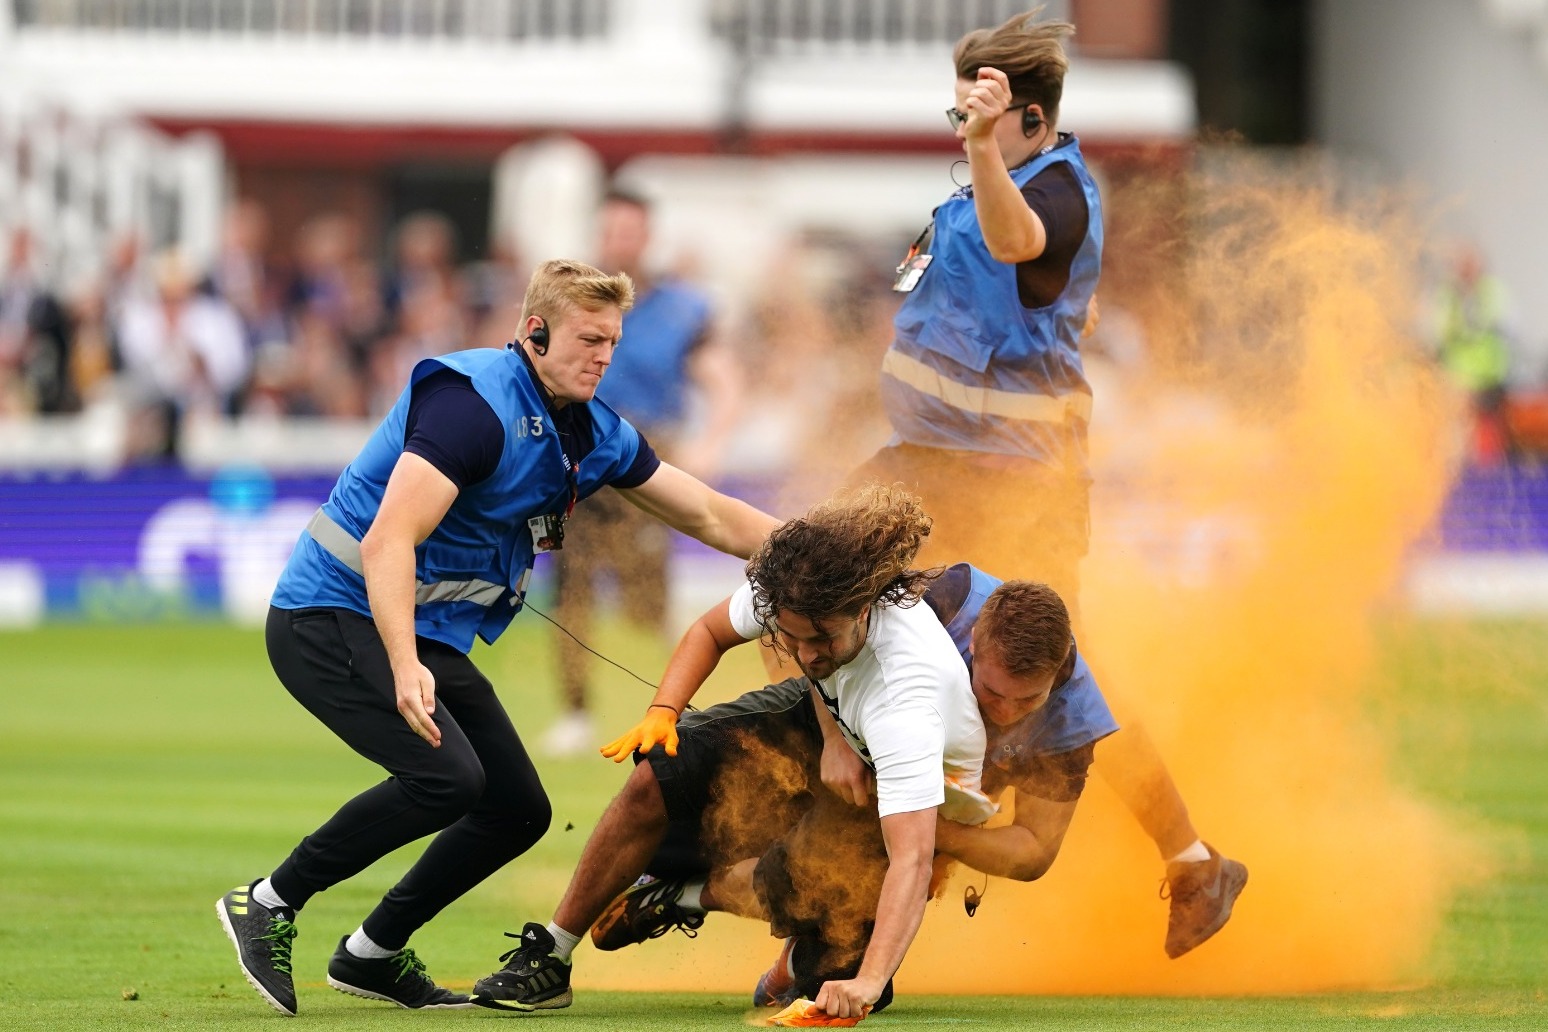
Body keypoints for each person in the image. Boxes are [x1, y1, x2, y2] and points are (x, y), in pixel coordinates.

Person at [214, 258, 779, 1017]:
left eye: (612, 341)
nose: (603, 356)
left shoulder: (593, 431)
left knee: (518, 808)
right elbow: (388, 541)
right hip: (331, 613)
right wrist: (408, 666)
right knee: (446, 779)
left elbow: (710, 515)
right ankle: (269, 901)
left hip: (416, 633)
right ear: (534, 332)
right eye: (587, 339)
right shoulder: (469, 405)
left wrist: (823, 550)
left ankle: (372, 952)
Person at [851, 10, 1245, 958]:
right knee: (809, 588)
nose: (961, 129)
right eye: (957, 115)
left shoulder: (1055, 190)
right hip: (926, 465)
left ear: (1026, 115)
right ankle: (825, 862)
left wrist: (982, 149)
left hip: (1014, 483)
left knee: (1058, 681)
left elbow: (1021, 240)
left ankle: (1193, 859)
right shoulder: (979, 181)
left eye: (978, 115)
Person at [588, 565, 1222, 1014]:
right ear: (972, 644)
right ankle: (662, 883)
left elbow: (1032, 853)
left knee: (830, 929)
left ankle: (685, 900)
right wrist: (837, 737)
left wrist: (922, 820)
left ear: (1058, 678)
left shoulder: (1073, 723)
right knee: (698, 775)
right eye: (989, 691)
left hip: (906, 804)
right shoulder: (945, 600)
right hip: (833, 732)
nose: (1002, 712)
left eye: (1024, 701)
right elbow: (820, 636)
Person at [469, 486, 994, 1020]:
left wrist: (868, 979)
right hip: (834, 721)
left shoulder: (905, 702)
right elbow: (709, 631)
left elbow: (913, 857)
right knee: (660, 774)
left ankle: (686, 894)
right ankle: (551, 956)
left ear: (862, 610)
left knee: (835, 978)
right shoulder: (796, 593)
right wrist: (664, 711)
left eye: (823, 639)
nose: (807, 654)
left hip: (897, 783)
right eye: (792, 638)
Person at [543, 188, 744, 757]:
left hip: (647, 458)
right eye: (610, 230)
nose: (619, 242)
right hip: (575, 458)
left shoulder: (682, 308)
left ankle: (671, 705)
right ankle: (575, 712)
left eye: (629, 231)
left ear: (646, 237)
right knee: (571, 588)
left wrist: (713, 440)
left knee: (645, 601)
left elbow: (721, 379)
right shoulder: (567, 301)